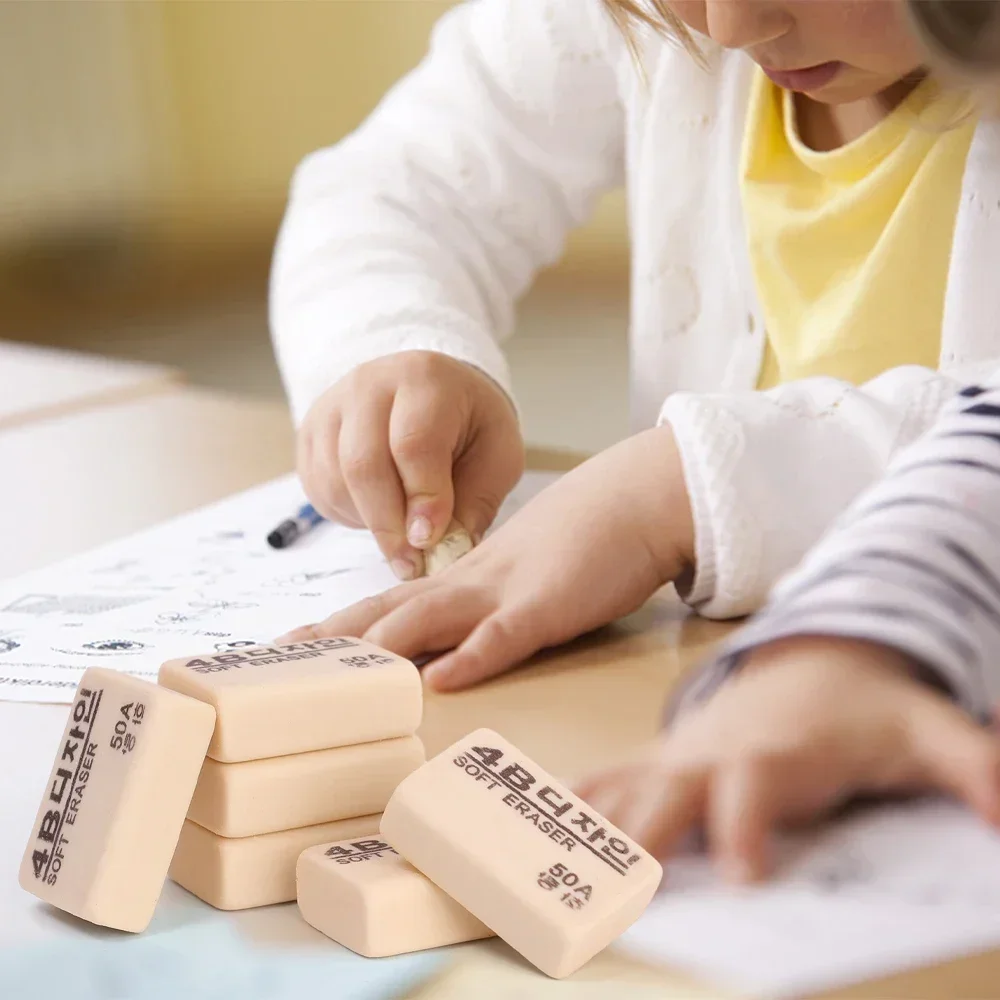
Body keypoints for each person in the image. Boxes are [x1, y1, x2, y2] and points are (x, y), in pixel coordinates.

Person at [276, 0, 1000, 693]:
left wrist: (676, 492)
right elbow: (391, 187)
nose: (731, 25)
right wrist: (389, 346)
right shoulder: (639, 20)